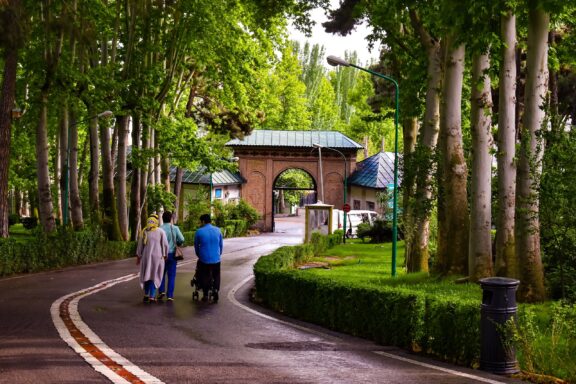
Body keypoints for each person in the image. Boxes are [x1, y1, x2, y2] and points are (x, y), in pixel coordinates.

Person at [136, 214, 169, 303]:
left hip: (146, 258)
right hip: (158, 258)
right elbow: (165, 244)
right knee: (154, 276)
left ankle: (146, 294)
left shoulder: (144, 231)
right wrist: (165, 255)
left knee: (146, 275)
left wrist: (138, 256)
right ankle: (152, 296)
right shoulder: (160, 231)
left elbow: (140, 246)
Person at [193, 214, 223, 302]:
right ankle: (216, 290)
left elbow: (196, 246)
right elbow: (220, 245)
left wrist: (199, 255)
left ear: (203, 221)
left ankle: (205, 294)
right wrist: (218, 254)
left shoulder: (199, 232)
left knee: (204, 275)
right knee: (216, 275)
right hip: (216, 259)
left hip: (204, 259)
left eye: (200, 222)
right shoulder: (218, 230)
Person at [158, 211, 185, 302]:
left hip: (161, 255)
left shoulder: (159, 229)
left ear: (162, 219)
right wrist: (177, 244)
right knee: (171, 275)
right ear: (171, 219)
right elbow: (182, 239)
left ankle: (161, 291)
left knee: (161, 273)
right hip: (172, 254)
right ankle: (170, 295)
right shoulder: (175, 228)